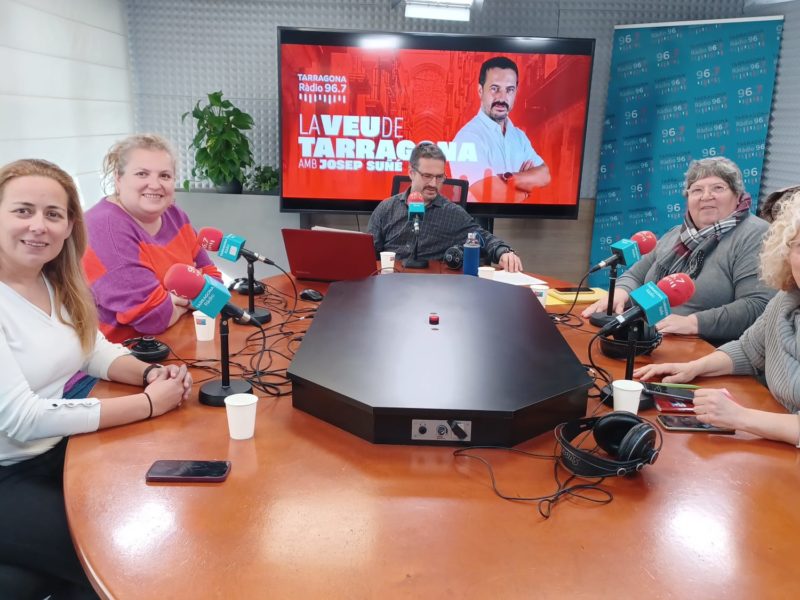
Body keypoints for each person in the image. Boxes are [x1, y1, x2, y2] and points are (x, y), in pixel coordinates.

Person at [0, 159, 191, 598]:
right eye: (22, 210)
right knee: (121, 560)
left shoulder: (53, 281)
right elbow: (22, 418)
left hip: (53, 453)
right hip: (8, 470)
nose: (39, 226)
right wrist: (147, 404)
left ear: (69, 226)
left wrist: (149, 373)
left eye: (53, 214)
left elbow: (94, 351)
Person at [633, 191, 800, 447]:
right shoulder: (785, 300)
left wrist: (740, 417)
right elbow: (748, 349)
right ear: (786, 253)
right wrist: (694, 367)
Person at [582, 157, 775, 346]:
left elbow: (758, 305)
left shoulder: (756, 234)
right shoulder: (677, 234)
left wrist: (693, 323)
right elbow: (636, 275)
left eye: (718, 188)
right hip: (651, 338)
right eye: (697, 190)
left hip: (705, 349)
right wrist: (622, 292)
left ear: (737, 195)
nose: (706, 196)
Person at [83, 134, 222, 342]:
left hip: (177, 338)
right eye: (142, 174)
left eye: (165, 176)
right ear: (118, 179)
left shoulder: (174, 215)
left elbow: (215, 289)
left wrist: (173, 301)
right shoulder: (104, 227)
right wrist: (188, 298)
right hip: (124, 357)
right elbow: (153, 317)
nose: (155, 185)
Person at [368, 142, 523, 272]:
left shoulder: (452, 213)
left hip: (433, 289)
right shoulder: (386, 209)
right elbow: (367, 255)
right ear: (411, 173)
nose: (433, 184)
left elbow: (483, 238)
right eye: (427, 176)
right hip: (391, 286)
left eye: (439, 177)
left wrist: (503, 252)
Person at [450, 56, 551, 201]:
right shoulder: (467, 138)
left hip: (517, 223)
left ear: (516, 92)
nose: (502, 98)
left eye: (509, 90)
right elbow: (491, 196)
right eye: (494, 88)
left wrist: (511, 178)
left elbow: (544, 175)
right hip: (475, 222)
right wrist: (525, 191)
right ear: (480, 90)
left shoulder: (519, 136)